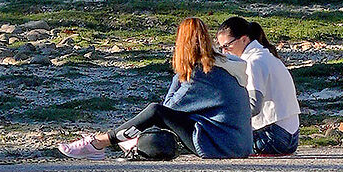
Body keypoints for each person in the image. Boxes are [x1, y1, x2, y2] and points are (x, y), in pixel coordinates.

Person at [60, 17, 253, 160]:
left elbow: (165, 109)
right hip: (238, 143)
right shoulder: (223, 65)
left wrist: (180, 73)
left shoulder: (203, 74)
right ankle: (124, 140)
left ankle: (99, 142)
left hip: (222, 146)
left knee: (155, 110)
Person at [215, 15, 302, 155]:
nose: (225, 52)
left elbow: (254, 107)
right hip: (291, 138)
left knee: (217, 140)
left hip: (274, 138)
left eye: (227, 46)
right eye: (221, 48)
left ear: (244, 39)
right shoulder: (268, 55)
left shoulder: (253, 62)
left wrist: (225, 120)